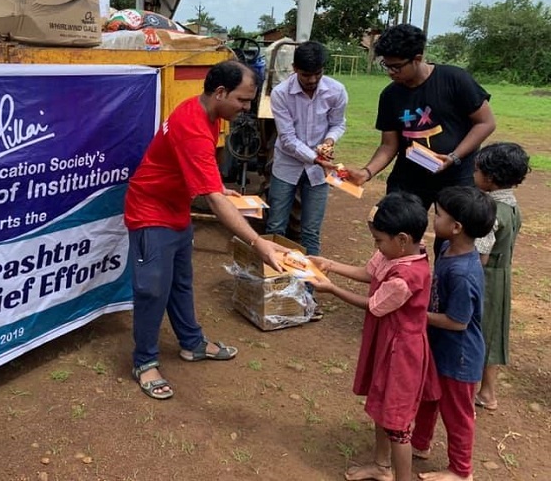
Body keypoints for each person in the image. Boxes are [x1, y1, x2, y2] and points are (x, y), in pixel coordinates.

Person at [123, 60, 288, 400]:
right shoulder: (193, 126)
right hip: (150, 212)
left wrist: (217, 187)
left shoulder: (209, 115)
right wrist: (258, 242)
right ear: (220, 92)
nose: (246, 109)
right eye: (242, 100)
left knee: (181, 282)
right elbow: (212, 200)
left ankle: (192, 343)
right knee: (153, 290)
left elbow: (202, 175)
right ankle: (144, 361)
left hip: (176, 209)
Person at [309, 192, 436, 481]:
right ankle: (381, 466)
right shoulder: (401, 253)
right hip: (387, 343)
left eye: (379, 240)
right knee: (383, 406)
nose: (376, 245)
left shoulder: (406, 278)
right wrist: (328, 264)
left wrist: (332, 289)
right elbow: (369, 273)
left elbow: (374, 304)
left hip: (401, 352)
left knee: (398, 423)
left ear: (402, 239)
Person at [348, 24, 496, 256]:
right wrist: (366, 173)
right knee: (393, 231)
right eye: (386, 65)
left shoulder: (454, 80)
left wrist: (453, 156)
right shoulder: (390, 96)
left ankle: (442, 288)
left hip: (454, 177)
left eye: (396, 67)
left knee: (451, 241)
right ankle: (400, 285)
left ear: (417, 58)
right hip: (409, 178)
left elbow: (485, 122)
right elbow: (389, 145)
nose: (391, 72)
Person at [411, 186, 496, 481]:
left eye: (439, 215)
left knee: (457, 414)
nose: (434, 219)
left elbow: (458, 321)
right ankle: (419, 444)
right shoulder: (448, 250)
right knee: (428, 397)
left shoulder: (463, 273)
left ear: (456, 227)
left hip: (459, 357)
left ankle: (461, 471)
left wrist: (417, 315)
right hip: (440, 348)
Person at [265, 40, 347, 257]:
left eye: (317, 74)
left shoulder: (336, 91)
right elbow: (287, 139)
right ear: (294, 69)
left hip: (318, 173)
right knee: (275, 227)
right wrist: (317, 159)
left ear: (323, 69)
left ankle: (309, 288)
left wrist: (329, 140)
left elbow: (338, 123)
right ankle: (274, 282)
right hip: (287, 166)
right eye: (305, 75)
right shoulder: (281, 93)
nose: (311, 80)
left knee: (310, 231)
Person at [472, 142, 530, 412]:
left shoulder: (491, 212)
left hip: (485, 278)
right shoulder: (512, 207)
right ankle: (487, 392)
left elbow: (480, 254)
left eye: (477, 171)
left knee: (477, 331)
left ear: (490, 178)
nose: (474, 175)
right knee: (493, 332)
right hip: (502, 276)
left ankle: (474, 389)